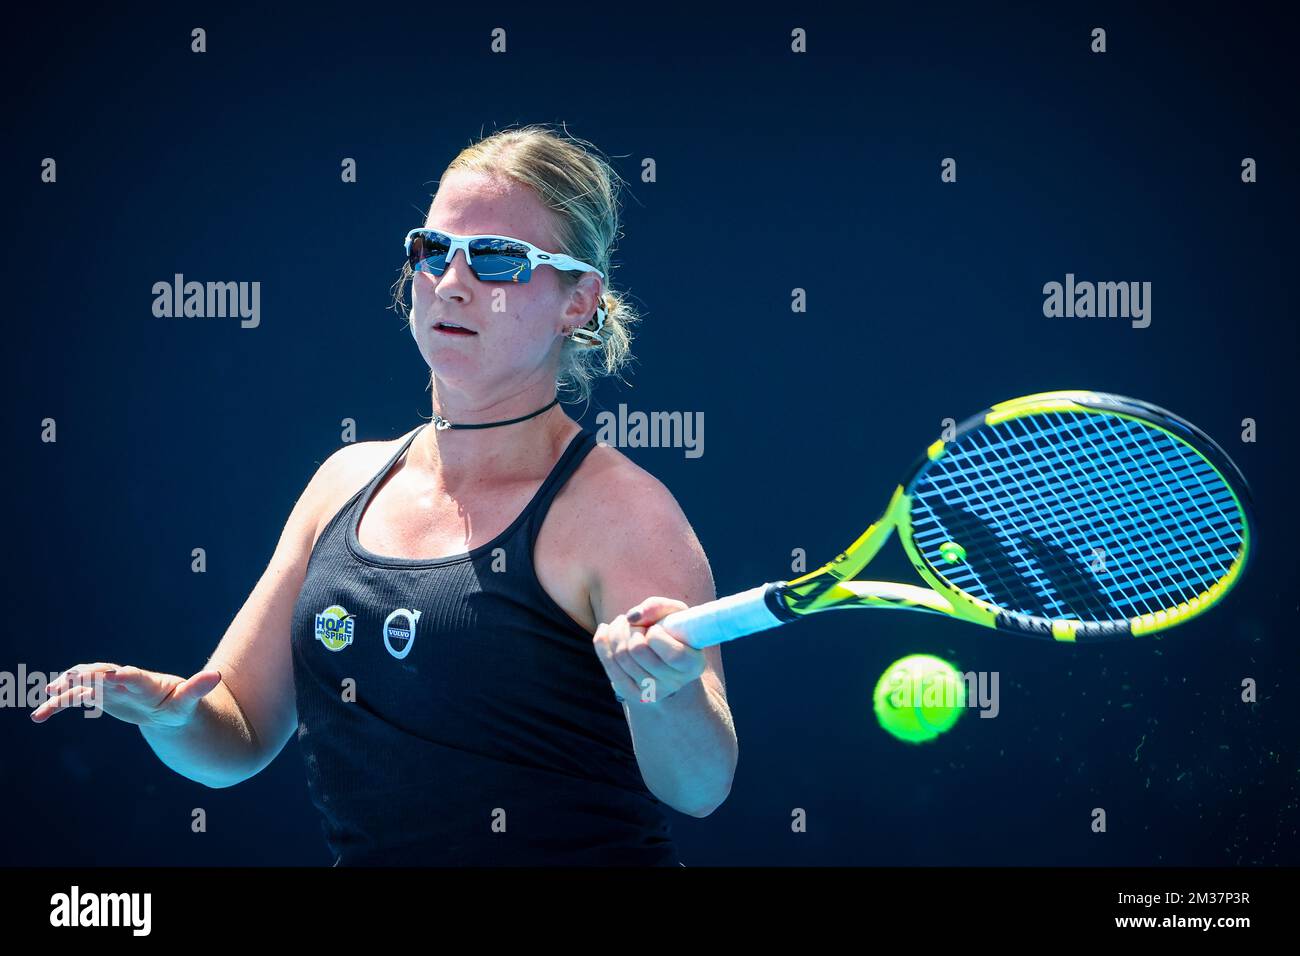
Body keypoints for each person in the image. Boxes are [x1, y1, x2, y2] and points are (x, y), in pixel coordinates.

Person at [31, 124, 736, 865]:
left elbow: (701, 787)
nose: (453, 281)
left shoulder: (624, 514)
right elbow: (233, 734)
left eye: (498, 259)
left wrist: (669, 688)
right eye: (434, 251)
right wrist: (170, 717)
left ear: (578, 300)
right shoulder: (343, 481)